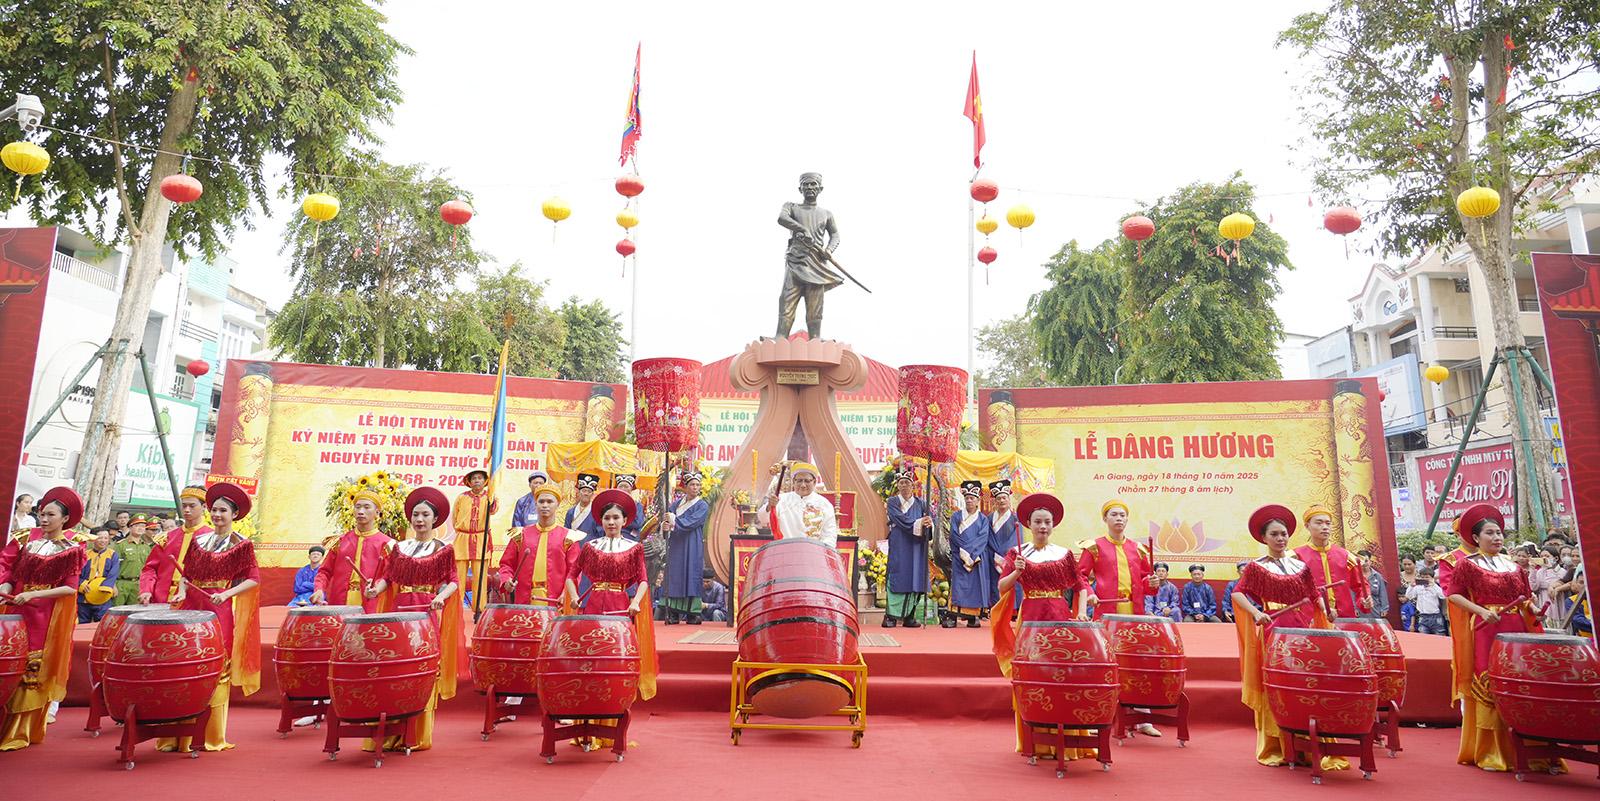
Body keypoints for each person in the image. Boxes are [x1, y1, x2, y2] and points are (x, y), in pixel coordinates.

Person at [1445, 503, 1560, 773]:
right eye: (1490, 533)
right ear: (1476, 538)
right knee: (1490, 682)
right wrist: (1481, 611)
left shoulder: (1514, 566)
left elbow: (1526, 599)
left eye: (1498, 532)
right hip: (1487, 629)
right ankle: (1492, 751)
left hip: (1516, 629)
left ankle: (1531, 747)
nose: (1496, 537)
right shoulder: (1466, 565)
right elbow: (1454, 595)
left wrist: (1534, 610)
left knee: (1521, 680)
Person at [1231, 504, 1340, 770]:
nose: (1280, 539)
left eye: (1283, 534)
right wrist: (1256, 613)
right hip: (1275, 631)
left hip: (1302, 631)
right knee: (1279, 685)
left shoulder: (1299, 566)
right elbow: (1238, 593)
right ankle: (1278, 746)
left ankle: (1308, 742)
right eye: (1275, 534)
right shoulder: (1256, 567)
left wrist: (1326, 611)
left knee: (1304, 684)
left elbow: (1313, 594)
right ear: (1264, 538)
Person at [157, 482, 261, 753]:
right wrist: (181, 591)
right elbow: (187, 576)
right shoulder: (199, 541)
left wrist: (227, 594)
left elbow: (253, 580)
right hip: (192, 607)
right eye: (214, 510)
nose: (217, 515)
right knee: (185, 665)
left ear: (234, 514)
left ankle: (210, 736)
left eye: (223, 511)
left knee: (217, 669)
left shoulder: (242, 545)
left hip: (218, 611)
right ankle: (176, 735)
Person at [990, 492, 1094, 762]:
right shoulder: (1017, 553)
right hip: (1031, 621)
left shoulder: (1064, 554)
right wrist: (1017, 571)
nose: (1043, 526)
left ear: (1053, 524)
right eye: (1038, 522)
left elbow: (1081, 585)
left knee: (1062, 678)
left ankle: (1066, 740)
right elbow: (1002, 588)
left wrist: (1082, 612)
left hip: (1060, 619)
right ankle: (1035, 742)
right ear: (1028, 524)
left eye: (1047, 522)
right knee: (1033, 678)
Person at [366, 487, 460, 751]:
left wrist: (441, 596)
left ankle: (415, 735)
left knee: (421, 669)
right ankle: (390, 732)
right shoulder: (399, 547)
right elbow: (388, 578)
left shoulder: (443, 549)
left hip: (425, 613)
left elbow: (453, 581)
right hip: (399, 612)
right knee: (396, 669)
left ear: (435, 519)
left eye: (425, 515)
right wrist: (375, 590)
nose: (419, 519)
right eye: (416, 515)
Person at [0, 487, 85, 750]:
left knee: (30, 670)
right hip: (15, 611)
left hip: (43, 617)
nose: (44, 519)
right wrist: (6, 586)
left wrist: (35, 594)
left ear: (65, 519)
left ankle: (19, 732)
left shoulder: (71, 549)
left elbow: (70, 588)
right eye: (42, 513)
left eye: (51, 515)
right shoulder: (24, 538)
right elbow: (8, 570)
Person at [562, 489, 658, 711]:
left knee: (617, 654)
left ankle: (615, 701)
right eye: (607, 518)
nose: (611, 522)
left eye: (616, 518)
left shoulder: (634, 548)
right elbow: (571, 576)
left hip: (620, 607)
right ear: (601, 521)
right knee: (590, 653)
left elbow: (643, 581)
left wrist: (635, 602)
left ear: (625, 521)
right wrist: (574, 597)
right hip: (593, 605)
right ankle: (588, 702)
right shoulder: (590, 547)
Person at [774, 171, 843, 339]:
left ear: (820, 189)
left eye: (813, 184)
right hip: (796, 260)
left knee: (815, 303)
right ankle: (780, 336)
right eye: (806, 184)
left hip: (817, 263)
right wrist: (802, 229)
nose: (809, 187)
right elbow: (782, 218)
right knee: (787, 299)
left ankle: (815, 338)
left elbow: (835, 235)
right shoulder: (791, 207)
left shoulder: (826, 214)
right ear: (800, 189)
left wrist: (829, 250)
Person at [309, 489, 388, 612]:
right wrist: (319, 589)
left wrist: (376, 587)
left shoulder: (387, 544)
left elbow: (388, 577)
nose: (361, 511)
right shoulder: (340, 541)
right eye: (358, 507)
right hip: (339, 600)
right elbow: (325, 571)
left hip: (370, 602)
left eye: (367, 507)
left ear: (377, 512)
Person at [1080, 499, 1156, 619]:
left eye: (1122, 515)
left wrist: (1152, 582)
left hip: (1135, 610)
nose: (1119, 518)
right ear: (1105, 519)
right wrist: (1089, 593)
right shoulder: (1094, 546)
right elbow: (1080, 575)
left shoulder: (1138, 548)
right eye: (1114, 514)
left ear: (1127, 519)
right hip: (1107, 609)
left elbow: (1145, 579)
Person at [496, 484, 571, 605]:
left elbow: (574, 572)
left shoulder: (568, 537)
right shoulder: (521, 535)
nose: (545, 505)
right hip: (525, 599)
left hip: (557, 601)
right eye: (541, 501)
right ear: (536, 504)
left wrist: (566, 593)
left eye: (549, 501)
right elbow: (506, 564)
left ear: (557, 504)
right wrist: (506, 580)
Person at [138, 486, 213, 605]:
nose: (187, 510)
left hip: (193, 601)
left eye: (192, 506)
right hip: (161, 598)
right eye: (184, 506)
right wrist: (146, 590)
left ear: (204, 507)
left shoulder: (212, 538)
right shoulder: (166, 538)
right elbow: (150, 568)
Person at [1293, 505, 1371, 619]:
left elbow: (1361, 586)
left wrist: (1364, 599)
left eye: (1328, 523)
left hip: (1343, 618)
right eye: (1319, 523)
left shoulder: (1346, 556)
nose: (1325, 527)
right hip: (1310, 619)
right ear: (1307, 526)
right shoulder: (1296, 557)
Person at [881, 466, 930, 628]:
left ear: (913, 485)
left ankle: (910, 615)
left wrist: (929, 524)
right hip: (899, 543)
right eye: (901, 483)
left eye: (907, 483)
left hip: (916, 545)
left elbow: (929, 525)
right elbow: (899, 519)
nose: (904, 485)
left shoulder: (922, 504)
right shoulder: (892, 502)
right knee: (897, 574)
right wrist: (920, 522)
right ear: (897, 485)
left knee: (916, 576)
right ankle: (891, 616)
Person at [662, 473, 710, 624]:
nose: (695, 487)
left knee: (691, 573)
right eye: (692, 485)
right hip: (676, 543)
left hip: (692, 543)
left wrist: (673, 521)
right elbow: (667, 521)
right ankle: (673, 612)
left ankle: (692, 613)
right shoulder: (675, 505)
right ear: (685, 487)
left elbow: (692, 522)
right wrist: (665, 526)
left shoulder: (702, 505)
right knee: (675, 574)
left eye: (697, 485)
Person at [945, 480, 992, 628]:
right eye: (967, 498)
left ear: (978, 500)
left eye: (972, 498)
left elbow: (982, 538)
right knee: (958, 585)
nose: (969, 500)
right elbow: (953, 535)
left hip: (976, 558)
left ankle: (973, 616)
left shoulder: (983, 519)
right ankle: (953, 615)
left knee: (974, 586)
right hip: (959, 556)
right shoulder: (956, 516)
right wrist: (963, 553)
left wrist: (970, 555)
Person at [760, 462, 840, 546]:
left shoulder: (824, 504)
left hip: (813, 552)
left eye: (807, 481)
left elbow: (829, 535)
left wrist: (822, 550)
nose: (803, 485)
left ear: (814, 482)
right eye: (799, 481)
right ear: (793, 482)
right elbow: (762, 519)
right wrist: (769, 506)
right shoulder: (781, 500)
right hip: (786, 549)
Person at [452, 469, 498, 612]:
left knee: (480, 577)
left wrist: (492, 497)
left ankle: (479, 608)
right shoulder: (461, 497)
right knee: (458, 577)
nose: (477, 480)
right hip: (462, 539)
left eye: (480, 478)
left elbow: (493, 510)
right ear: (469, 482)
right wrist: (463, 531)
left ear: (485, 481)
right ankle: (456, 608)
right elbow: (455, 518)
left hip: (481, 540)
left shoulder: (489, 497)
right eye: (474, 478)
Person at [987, 480, 1019, 609]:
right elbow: (987, 537)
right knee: (994, 584)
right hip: (992, 556)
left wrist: (1004, 555)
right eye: (998, 498)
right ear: (995, 501)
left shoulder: (1015, 518)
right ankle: (995, 608)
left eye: (1004, 498)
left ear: (1009, 499)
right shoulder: (989, 518)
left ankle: (1012, 609)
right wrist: (995, 554)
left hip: (1009, 558)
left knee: (1010, 581)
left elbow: (1016, 539)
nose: (1001, 500)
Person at [76, 527, 119, 623]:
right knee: (82, 623)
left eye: (106, 538)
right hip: (84, 595)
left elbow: (113, 573)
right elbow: (76, 572)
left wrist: (109, 586)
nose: (103, 541)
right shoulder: (84, 554)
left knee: (102, 623)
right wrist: (81, 583)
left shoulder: (112, 554)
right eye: (100, 538)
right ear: (93, 539)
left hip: (103, 595)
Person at [563, 473, 602, 542]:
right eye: (584, 491)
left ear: (592, 494)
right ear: (579, 492)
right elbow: (566, 532)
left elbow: (600, 534)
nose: (586, 493)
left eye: (589, 491)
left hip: (590, 546)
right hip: (573, 545)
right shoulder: (571, 512)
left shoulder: (596, 512)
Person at [1407, 569, 1447, 634]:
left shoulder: (1435, 587)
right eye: (1422, 577)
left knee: (1440, 635)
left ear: (1432, 578)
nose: (1424, 579)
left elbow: (1443, 596)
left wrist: (1434, 585)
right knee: (1423, 636)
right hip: (1422, 616)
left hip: (1435, 616)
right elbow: (1409, 596)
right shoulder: (1418, 587)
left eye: (1427, 577)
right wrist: (1411, 586)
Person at [1358, 550, 1390, 620]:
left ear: (1370, 562)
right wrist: (1354, 609)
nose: (1364, 563)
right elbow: (1352, 594)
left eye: (1366, 561)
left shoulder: (1377, 576)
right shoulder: (1355, 576)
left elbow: (1382, 593)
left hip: (1375, 611)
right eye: (1361, 561)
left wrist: (1384, 608)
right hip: (1360, 612)